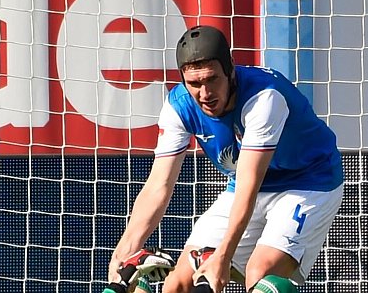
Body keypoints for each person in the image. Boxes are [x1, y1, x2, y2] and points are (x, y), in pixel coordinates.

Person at [106, 25, 344, 292]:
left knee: (261, 272)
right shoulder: (178, 105)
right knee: (178, 284)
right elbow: (158, 186)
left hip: (308, 183)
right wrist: (124, 250)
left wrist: (224, 255)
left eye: (212, 79)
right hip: (243, 185)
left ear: (230, 68)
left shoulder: (264, 98)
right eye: (195, 84)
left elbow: (248, 187)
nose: (205, 94)